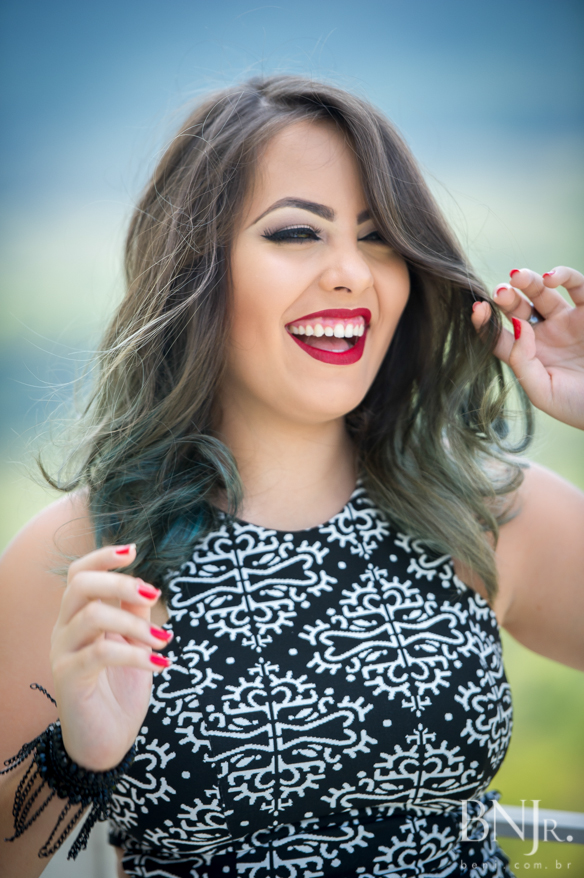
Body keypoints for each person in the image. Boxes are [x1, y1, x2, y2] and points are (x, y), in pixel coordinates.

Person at [0, 75, 583, 878]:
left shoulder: (478, 508)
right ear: (198, 271)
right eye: (297, 233)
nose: (352, 272)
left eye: (379, 238)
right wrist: (77, 757)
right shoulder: (84, 552)